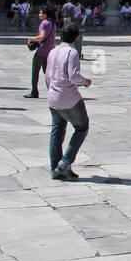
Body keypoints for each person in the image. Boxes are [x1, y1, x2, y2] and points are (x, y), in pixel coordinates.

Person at [45, 22, 93, 181]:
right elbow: (73, 76)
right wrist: (85, 81)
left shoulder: (53, 52)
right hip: (69, 98)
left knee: (57, 131)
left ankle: (55, 169)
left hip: (53, 97)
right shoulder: (72, 52)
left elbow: (47, 76)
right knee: (82, 127)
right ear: (76, 38)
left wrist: (52, 90)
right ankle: (65, 162)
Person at [26, 6, 55, 98]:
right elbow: (53, 39)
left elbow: (42, 36)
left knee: (35, 71)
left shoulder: (44, 23)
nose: (39, 14)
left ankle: (34, 91)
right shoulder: (52, 23)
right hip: (49, 51)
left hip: (42, 50)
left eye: (41, 13)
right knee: (47, 72)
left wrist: (31, 39)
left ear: (45, 15)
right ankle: (54, 90)